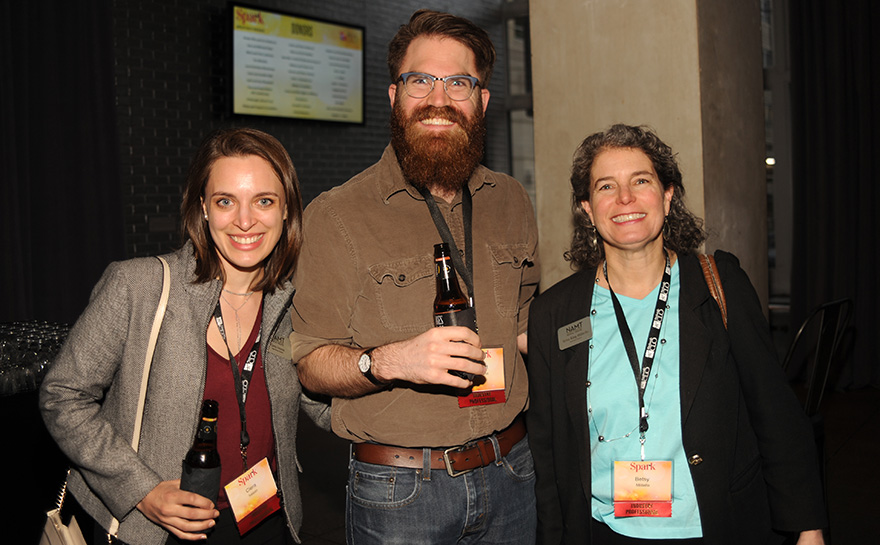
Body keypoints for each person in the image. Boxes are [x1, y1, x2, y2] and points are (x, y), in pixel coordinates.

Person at [289, 9, 539, 545]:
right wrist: (391, 360)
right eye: (419, 80)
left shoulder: (512, 201)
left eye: (458, 82)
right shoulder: (337, 215)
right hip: (401, 492)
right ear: (394, 96)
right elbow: (310, 363)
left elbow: (524, 321)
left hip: (513, 471)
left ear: (482, 100)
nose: (437, 97)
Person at [526, 124, 827, 544]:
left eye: (641, 181)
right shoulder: (553, 314)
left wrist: (808, 527)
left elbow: (775, 414)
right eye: (606, 186)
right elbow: (548, 452)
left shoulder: (720, 285)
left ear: (668, 196)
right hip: (602, 531)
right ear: (587, 209)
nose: (625, 198)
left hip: (715, 526)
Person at [40, 128, 330, 545]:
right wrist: (141, 490)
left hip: (265, 520)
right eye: (225, 201)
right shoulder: (139, 287)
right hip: (157, 528)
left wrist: (381, 370)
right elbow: (63, 395)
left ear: (286, 210)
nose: (245, 220)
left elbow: (318, 400)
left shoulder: (290, 305)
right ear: (204, 209)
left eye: (263, 201)